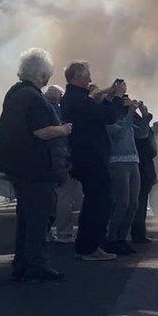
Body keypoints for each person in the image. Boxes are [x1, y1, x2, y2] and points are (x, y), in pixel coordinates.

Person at [0, 48, 72, 282]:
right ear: (41, 74)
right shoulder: (34, 97)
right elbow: (41, 132)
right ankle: (37, 265)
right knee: (39, 219)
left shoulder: (15, 93)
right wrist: (63, 129)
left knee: (26, 218)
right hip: (37, 169)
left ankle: (22, 263)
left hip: (22, 168)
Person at [60, 62, 124, 261]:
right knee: (100, 202)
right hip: (91, 158)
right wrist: (118, 97)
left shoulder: (74, 98)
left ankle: (87, 245)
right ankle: (90, 247)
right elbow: (109, 116)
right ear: (78, 76)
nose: (90, 79)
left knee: (94, 201)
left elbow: (97, 107)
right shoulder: (77, 100)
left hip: (87, 158)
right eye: (87, 75)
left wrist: (108, 95)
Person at [104, 91, 148, 255]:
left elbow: (142, 134)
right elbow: (120, 133)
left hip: (133, 162)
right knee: (122, 202)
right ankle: (112, 238)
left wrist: (144, 116)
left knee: (133, 203)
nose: (129, 105)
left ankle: (121, 238)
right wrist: (130, 114)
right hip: (118, 162)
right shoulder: (110, 122)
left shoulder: (126, 121)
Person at [46, 85, 81, 243]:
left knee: (50, 198)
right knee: (64, 197)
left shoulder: (42, 111)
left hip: (49, 161)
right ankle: (64, 233)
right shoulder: (59, 112)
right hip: (62, 160)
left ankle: (46, 232)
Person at [131, 106, 156, 244]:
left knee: (139, 202)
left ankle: (139, 232)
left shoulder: (135, 122)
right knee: (139, 202)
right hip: (142, 165)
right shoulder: (134, 124)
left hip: (143, 165)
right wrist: (145, 116)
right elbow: (147, 140)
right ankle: (138, 233)